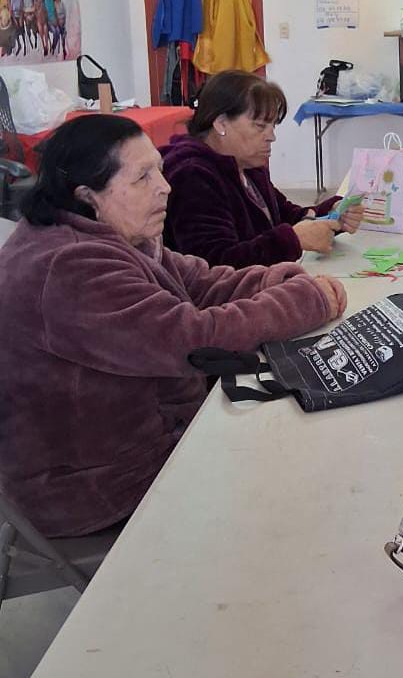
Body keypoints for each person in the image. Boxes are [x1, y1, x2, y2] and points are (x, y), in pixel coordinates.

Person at [0, 115, 347, 537]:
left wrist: (281, 279)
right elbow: (194, 341)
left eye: (159, 170)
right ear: (89, 195)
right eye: (143, 177)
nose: (165, 187)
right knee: (305, 467)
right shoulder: (70, 266)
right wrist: (305, 300)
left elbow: (203, 282)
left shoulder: (108, 236)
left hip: (130, 444)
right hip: (93, 482)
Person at [163, 71, 363, 269]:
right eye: (260, 126)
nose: (271, 137)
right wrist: (293, 240)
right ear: (221, 123)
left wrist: (331, 214)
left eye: (272, 126)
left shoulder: (246, 165)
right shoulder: (192, 175)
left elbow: (285, 216)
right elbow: (214, 264)